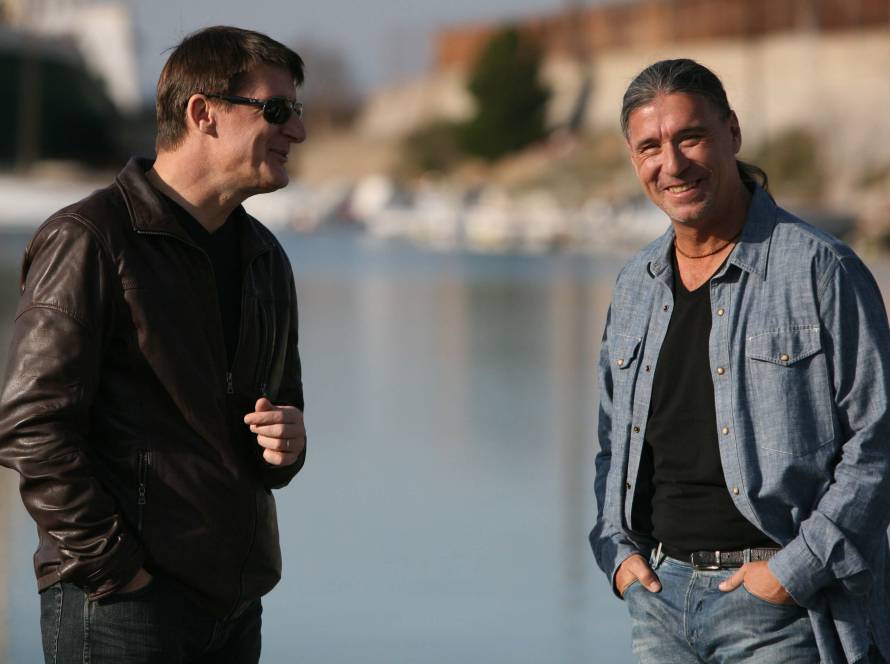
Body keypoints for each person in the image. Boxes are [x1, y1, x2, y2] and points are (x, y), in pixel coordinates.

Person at [0, 26, 308, 663]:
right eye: (277, 110)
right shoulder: (89, 238)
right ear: (203, 113)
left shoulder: (265, 258)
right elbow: (30, 426)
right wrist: (116, 569)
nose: (297, 131)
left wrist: (288, 443)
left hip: (232, 608)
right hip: (120, 607)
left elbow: (277, 420)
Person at [589, 58, 890, 664]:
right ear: (633, 158)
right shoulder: (635, 285)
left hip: (786, 611)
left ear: (732, 132)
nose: (672, 164)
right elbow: (611, 443)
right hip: (658, 601)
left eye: (690, 137)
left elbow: (877, 441)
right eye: (650, 147)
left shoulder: (820, 269)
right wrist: (617, 555)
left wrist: (792, 573)